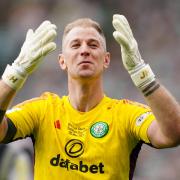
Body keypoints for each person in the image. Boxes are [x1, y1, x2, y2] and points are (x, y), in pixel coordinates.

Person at [0, 14, 180, 180]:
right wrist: (17, 71)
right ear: (62, 61)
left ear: (106, 60)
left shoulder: (125, 115)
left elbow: (173, 134)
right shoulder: (43, 109)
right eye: (76, 45)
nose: (84, 50)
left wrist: (141, 72)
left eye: (93, 45)